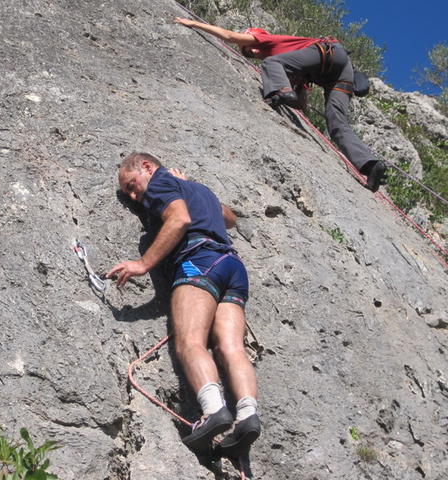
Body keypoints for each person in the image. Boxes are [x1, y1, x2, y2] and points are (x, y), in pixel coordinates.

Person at [106, 152, 261, 456]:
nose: (135, 196)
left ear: (147, 167)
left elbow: (179, 219)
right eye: (129, 193)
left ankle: (214, 411)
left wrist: (143, 263)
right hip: (232, 266)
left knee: (190, 342)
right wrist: (188, 185)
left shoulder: (160, 183)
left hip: (199, 260)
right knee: (231, 348)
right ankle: (247, 416)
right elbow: (228, 218)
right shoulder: (195, 187)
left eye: (133, 185)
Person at [174, 17, 386, 192]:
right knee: (336, 122)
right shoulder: (292, 64)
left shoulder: (268, 42)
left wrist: (194, 24)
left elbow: (228, 36)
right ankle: (370, 165)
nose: (252, 52)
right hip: (339, 71)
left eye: (248, 47)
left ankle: (280, 91)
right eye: (248, 54)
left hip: (326, 52)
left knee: (271, 62)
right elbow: (301, 105)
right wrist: (296, 90)